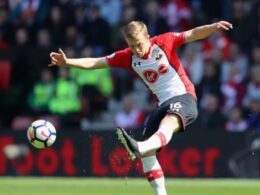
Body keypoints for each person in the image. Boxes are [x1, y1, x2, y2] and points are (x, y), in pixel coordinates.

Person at [49, 20, 232, 195]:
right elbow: (97, 62)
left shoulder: (164, 41)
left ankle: (141, 147)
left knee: (168, 122)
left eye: (139, 44)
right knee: (148, 156)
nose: (136, 50)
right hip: (161, 105)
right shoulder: (128, 57)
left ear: (148, 37)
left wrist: (213, 27)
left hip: (184, 96)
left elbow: (192, 34)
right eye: (131, 45)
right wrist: (68, 62)